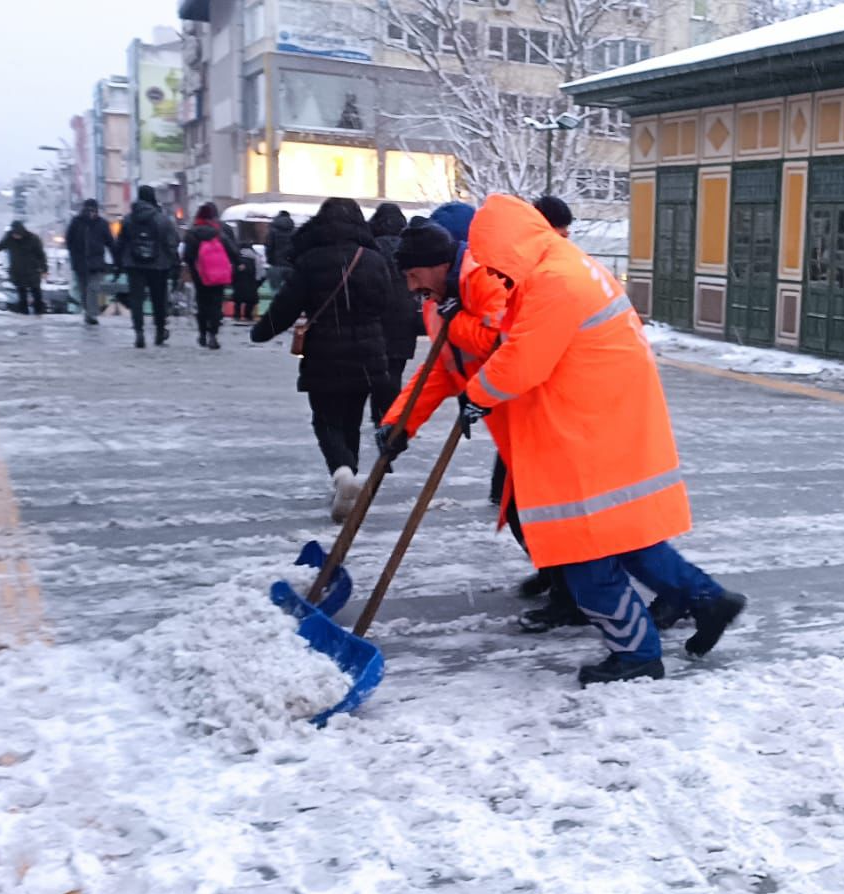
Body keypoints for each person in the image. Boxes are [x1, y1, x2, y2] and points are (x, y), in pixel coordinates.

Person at [456, 194, 745, 686]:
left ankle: (636, 655)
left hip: (583, 430)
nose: (495, 272)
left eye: (494, 260)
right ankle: (708, 600)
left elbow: (524, 357)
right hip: (601, 420)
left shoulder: (555, 280)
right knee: (626, 540)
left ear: (508, 245)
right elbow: (516, 334)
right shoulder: (560, 267)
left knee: (582, 551)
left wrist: (478, 394)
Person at [375, 219, 590, 634]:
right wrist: (399, 423)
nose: (409, 285)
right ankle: (560, 578)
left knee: (537, 511)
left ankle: (573, 595)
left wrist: (457, 323)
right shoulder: (436, 299)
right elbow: (439, 368)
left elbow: (502, 342)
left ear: (437, 264)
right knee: (522, 511)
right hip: (506, 419)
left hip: (536, 413)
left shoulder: (484, 280)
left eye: (413, 274)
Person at [250, 197, 401, 522]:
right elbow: (387, 304)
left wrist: (261, 332)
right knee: (351, 422)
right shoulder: (373, 259)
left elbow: (285, 307)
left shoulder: (312, 260)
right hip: (367, 356)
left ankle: (342, 474)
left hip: (324, 356)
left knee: (326, 421)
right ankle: (348, 486)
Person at [366, 202, 420, 422]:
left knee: (376, 368)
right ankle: (391, 415)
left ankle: (377, 412)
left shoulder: (370, 249)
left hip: (377, 315)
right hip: (405, 316)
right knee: (395, 369)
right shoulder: (411, 248)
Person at [116, 186, 181, 349]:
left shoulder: (129, 219)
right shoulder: (162, 219)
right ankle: (160, 331)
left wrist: (119, 264)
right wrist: (175, 263)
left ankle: (139, 332)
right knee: (159, 299)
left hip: (134, 264)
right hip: (159, 265)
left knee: (136, 299)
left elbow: (120, 243)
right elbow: (172, 243)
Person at [180, 202, 235, 350]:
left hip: (200, 275)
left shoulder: (192, 233)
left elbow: (187, 256)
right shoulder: (220, 232)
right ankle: (213, 335)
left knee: (202, 303)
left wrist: (194, 268)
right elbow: (233, 251)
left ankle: (202, 334)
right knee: (216, 304)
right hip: (218, 275)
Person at [63, 200, 114, 325]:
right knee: (84, 290)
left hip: (96, 263)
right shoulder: (77, 222)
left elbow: (110, 243)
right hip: (81, 263)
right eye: (89, 210)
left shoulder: (102, 224)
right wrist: (75, 255)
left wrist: (116, 259)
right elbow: (69, 241)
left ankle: (91, 314)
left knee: (93, 288)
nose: (92, 213)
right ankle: (88, 312)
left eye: (94, 210)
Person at [0, 221, 48, 315]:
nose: (16, 236)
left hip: (33, 271)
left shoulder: (33, 239)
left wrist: (44, 269)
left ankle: (39, 314)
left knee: (36, 294)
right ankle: (24, 315)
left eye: (17, 234)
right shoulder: (9, 238)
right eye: (14, 234)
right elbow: (1, 246)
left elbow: (41, 255)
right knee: (22, 296)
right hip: (18, 272)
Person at [230, 238, 262, 322]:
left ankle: (236, 315)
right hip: (251, 282)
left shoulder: (236, 256)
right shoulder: (256, 256)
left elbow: (231, 269)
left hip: (238, 282)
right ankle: (248, 315)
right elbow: (259, 271)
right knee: (250, 300)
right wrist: (257, 281)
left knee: (237, 300)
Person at [266, 210, 297, 294]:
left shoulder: (272, 232)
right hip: (291, 266)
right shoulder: (294, 231)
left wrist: (270, 260)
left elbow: (269, 247)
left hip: (276, 265)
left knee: (275, 291)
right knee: (291, 291)